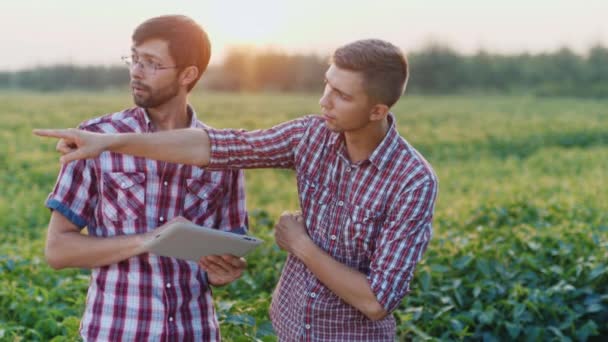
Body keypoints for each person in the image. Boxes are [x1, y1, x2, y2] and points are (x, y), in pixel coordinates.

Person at [36, 38, 438, 341]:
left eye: (342, 96)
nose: (324, 101)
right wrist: (111, 142)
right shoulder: (310, 136)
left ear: (377, 111)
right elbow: (217, 146)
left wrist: (300, 245)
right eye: (327, 85)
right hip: (288, 326)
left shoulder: (412, 181)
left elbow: (376, 300)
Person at [39, 15, 248, 341]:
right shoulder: (95, 138)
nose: (136, 70)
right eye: (134, 59)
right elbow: (58, 250)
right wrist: (149, 240)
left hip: (195, 331)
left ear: (187, 74)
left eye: (151, 63)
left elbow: (230, 251)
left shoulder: (220, 154)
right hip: (115, 331)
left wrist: (224, 272)